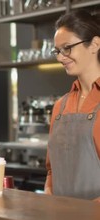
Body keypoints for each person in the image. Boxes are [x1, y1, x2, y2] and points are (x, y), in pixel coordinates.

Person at [44, 9, 100, 202]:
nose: (60, 57)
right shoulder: (60, 107)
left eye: (67, 48)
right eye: (57, 51)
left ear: (94, 44)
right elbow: (52, 170)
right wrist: (49, 194)